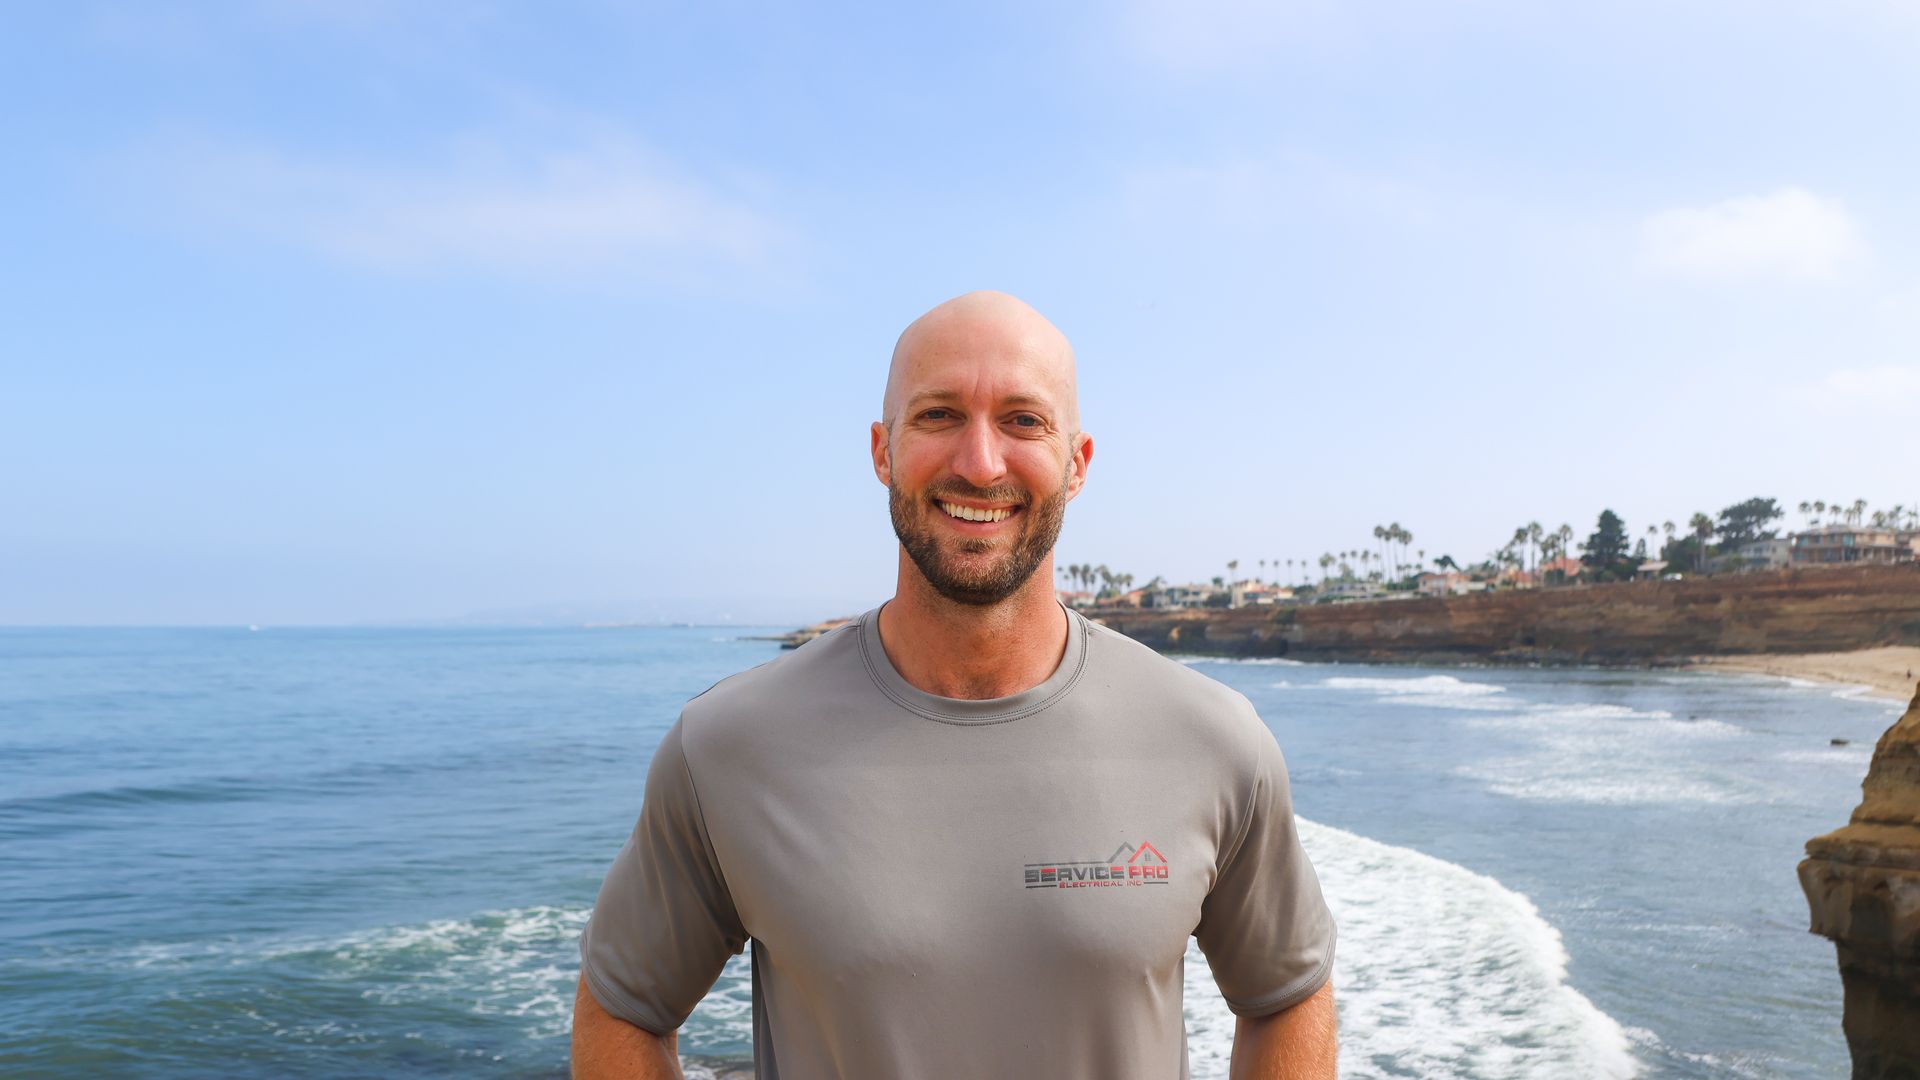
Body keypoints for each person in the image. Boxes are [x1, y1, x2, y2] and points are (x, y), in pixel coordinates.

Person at [572, 291, 1337, 1078]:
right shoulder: (728, 747)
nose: (980, 462)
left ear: (1077, 463)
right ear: (883, 450)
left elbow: (1285, 993)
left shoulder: (1212, 740)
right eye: (938, 415)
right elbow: (625, 1007)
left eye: (1023, 420)